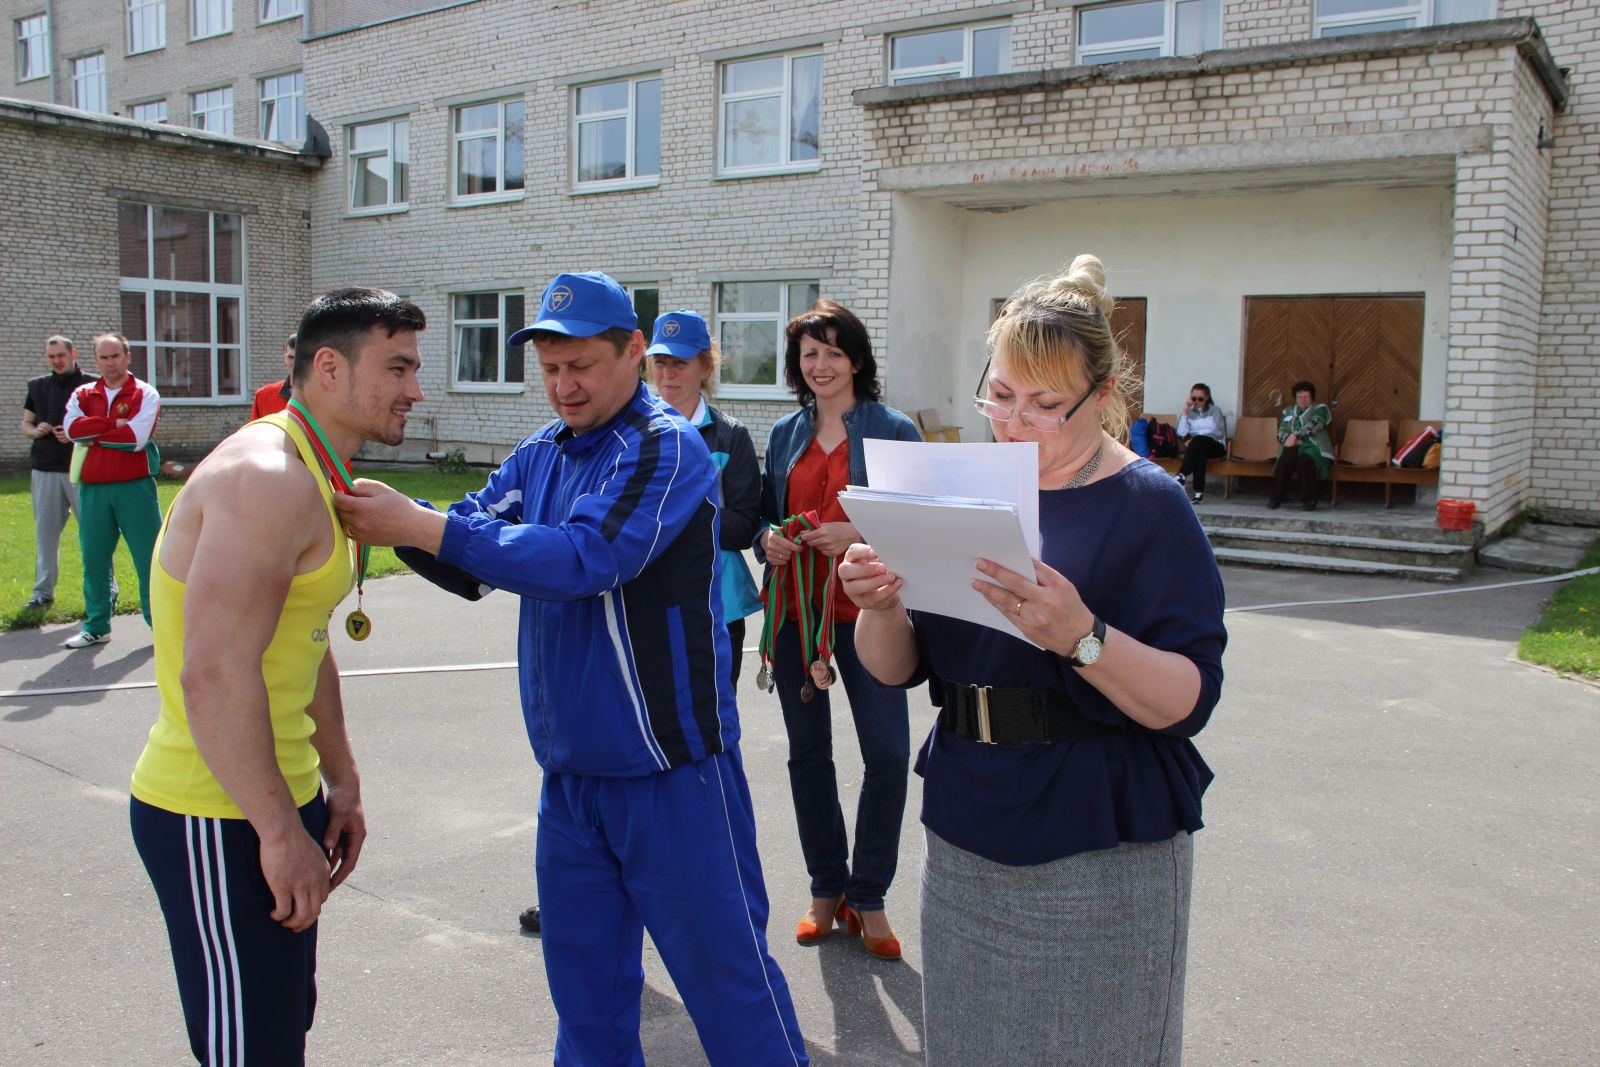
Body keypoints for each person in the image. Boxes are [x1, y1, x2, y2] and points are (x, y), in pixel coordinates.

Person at [335, 272, 808, 1067]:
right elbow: (469, 558)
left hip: (672, 775)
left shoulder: (668, 446)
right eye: (550, 369)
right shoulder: (540, 451)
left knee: (732, 994)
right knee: (586, 1003)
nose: (564, 386)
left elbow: (587, 557)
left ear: (633, 350)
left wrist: (417, 525)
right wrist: (394, 526)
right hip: (571, 779)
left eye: (581, 365)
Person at [840, 254, 1226, 1066]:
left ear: (1101, 397)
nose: (1014, 424)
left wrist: (1083, 637)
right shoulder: (953, 485)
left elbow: (1189, 698)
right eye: (1001, 396)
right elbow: (895, 668)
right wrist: (879, 607)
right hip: (969, 828)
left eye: (1046, 405)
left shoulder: (1149, 502)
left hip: (1099, 844)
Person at [129, 287, 425, 1065]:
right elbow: (215, 673)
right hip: (214, 809)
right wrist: (275, 830)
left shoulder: (319, 473)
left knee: (279, 1032)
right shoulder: (266, 475)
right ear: (329, 367)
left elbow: (307, 639)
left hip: (277, 797)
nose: (416, 390)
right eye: (397, 367)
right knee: (250, 1052)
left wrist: (341, 782)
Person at [756, 299, 920, 961]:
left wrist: (857, 529)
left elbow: (921, 521)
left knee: (885, 754)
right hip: (796, 617)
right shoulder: (784, 434)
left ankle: (869, 892)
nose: (820, 365)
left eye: (832, 351)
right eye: (809, 353)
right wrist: (768, 538)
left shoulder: (894, 430)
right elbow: (765, 518)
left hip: (871, 615)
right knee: (807, 755)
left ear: (856, 358)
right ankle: (827, 886)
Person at [648, 309, 763, 682]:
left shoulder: (731, 437)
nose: (667, 375)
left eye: (679, 363)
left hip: (717, 607)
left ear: (705, 367)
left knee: (713, 723)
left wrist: (668, 510)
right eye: (659, 362)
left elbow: (743, 528)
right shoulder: (629, 434)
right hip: (644, 603)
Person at [61, 333, 162, 649]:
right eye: (103, 357)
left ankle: (160, 625)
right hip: (94, 490)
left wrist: (94, 432)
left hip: (135, 488)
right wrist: (112, 425)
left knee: (149, 558)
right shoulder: (82, 393)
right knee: (94, 558)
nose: (110, 362)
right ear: (96, 360)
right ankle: (97, 625)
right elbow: (71, 430)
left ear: (128, 356)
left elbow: (135, 439)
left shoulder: (144, 393)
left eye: (115, 356)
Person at [20, 335, 96, 609]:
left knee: (94, 532)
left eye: (60, 356)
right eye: (51, 357)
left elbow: (101, 425)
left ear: (73, 353)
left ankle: (105, 589)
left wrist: (76, 434)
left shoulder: (91, 384)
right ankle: (43, 592)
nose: (56, 361)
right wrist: (36, 430)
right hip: (45, 468)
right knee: (46, 535)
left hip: (82, 468)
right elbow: (26, 424)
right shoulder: (38, 387)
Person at [1270, 379, 1333, 511]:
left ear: (1312, 397)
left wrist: (1295, 436)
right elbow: (1281, 431)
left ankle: (1309, 500)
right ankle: (1276, 498)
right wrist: (1288, 438)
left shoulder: (1320, 408)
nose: (1302, 400)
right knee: (1284, 461)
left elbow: (1316, 424)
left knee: (1304, 462)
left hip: (1315, 447)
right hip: (1294, 445)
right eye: (1300, 397)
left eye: (1306, 397)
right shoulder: (1288, 411)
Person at [1175, 382, 1228, 504]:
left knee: (1198, 441)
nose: (1197, 401)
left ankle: (1182, 474)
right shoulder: (1190, 412)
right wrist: (1185, 411)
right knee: (1200, 452)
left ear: (1207, 397)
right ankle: (1198, 493)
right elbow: (1181, 433)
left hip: (1216, 446)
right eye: (1194, 398)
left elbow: (1219, 433)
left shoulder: (1215, 411)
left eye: (1200, 399)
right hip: (1199, 447)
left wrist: (1196, 439)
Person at [249, 333, 297, 419]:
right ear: (284, 358)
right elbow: (254, 432)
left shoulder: (325, 398)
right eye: (291, 357)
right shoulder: (263, 397)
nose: (296, 363)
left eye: (300, 358)